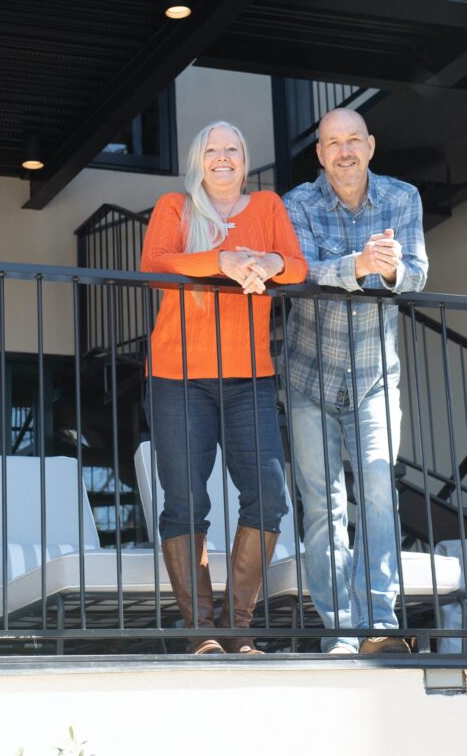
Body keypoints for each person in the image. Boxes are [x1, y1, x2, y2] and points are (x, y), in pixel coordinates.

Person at [140, 120, 308, 655]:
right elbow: (157, 265)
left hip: (250, 377)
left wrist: (271, 262)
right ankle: (202, 633)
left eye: (231, 149)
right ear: (198, 160)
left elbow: (298, 269)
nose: (222, 158)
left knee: (268, 496)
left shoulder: (267, 209)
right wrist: (225, 262)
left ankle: (238, 628)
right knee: (185, 502)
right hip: (177, 376)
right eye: (211, 150)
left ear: (244, 157)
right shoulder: (176, 207)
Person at [281, 107, 428, 655]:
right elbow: (300, 272)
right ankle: (340, 634)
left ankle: (379, 627)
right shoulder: (296, 204)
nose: (343, 152)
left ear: (369, 145)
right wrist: (361, 264)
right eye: (331, 143)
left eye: (352, 141)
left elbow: (415, 272)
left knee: (378, 493)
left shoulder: (401, 198)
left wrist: (389, 271)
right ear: (320, 154)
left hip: (374, 376)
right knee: (323, 506)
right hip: (307, 374)